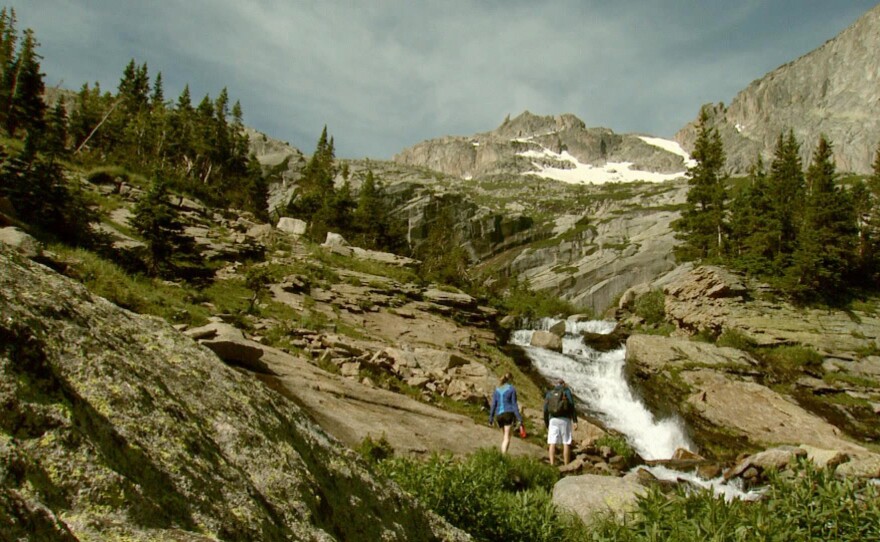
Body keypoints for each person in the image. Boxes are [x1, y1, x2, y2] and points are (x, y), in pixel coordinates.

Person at [543, 378, 578, 466]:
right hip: (565, 420)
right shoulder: (566, 392)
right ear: (563, 384)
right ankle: (566, 465)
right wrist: (575, 420)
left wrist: (547, 423)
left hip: (553, 419)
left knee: (552, 442)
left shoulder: (550, 393)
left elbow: (545, 409)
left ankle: (552, 464)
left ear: (555, 384)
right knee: (566, 442)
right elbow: (572, 406)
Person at [488, 372, 523, 454]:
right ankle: (504, 456)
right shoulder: (511, 389)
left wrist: (491, 418)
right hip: (508, 413)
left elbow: (493, 405)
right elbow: (514, 405)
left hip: (499, 415)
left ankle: (503, 454)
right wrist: (519, 418)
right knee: (507, 437)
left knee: (504, 436)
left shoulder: (497, 390)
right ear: (510, 380)